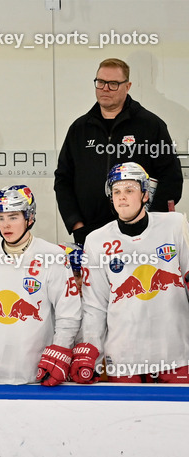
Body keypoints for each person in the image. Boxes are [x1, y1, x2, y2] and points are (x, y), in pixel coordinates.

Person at [73, 162, 189, 384]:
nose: (122, 197)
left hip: (175, 352)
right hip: (124, 356)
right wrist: (91, 352)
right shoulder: (96, 240)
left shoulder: (174, 225)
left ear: (145, 194)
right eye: (116, 191)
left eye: (129, 190)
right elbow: (95, 306)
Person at [0, 186, 82, 385]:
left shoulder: (53, 256)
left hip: (38, 375)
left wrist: (60, 349)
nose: (6, 225)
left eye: (13, 217)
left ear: (29, 218)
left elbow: (69, 314)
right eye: (1, 217)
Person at [55, 58, 182, 247]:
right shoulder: (79, 129)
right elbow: (63, 180)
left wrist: (151, 222)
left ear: (128, 86)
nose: (105, 88)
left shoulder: (150, 126)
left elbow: (171, 179)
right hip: (90, 235)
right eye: (100, 82)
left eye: (113, 84)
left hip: (140, 236)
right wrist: (76, 224)